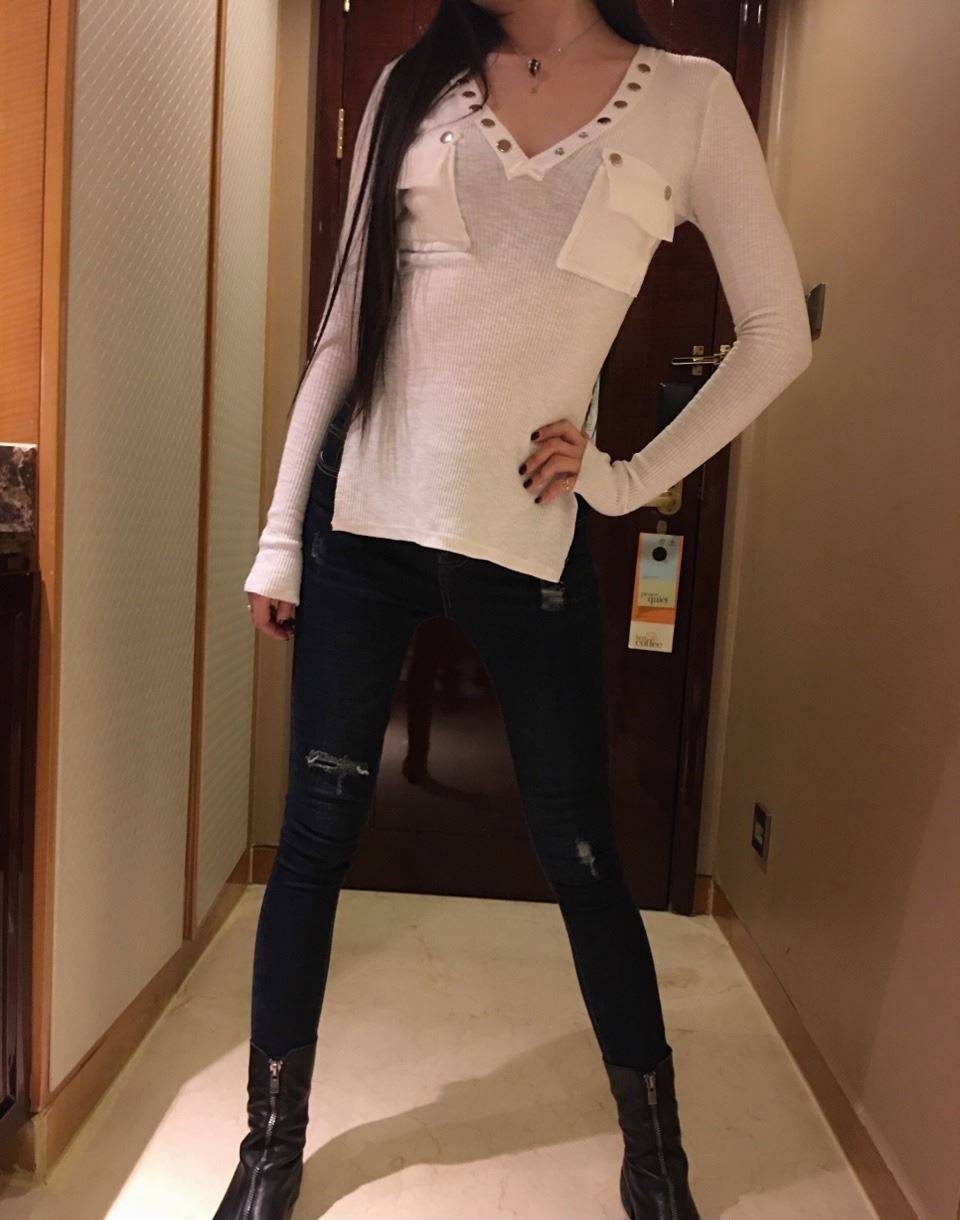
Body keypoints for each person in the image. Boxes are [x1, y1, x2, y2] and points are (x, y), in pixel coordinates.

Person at [214, 1, 812, 1217]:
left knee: (585, 855)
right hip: (361, 528)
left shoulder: (691, 97)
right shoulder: (411, 83)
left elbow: (776, 335)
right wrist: (280, 536)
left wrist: (627, 477)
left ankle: (658, 1161)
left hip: (524, 543)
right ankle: (268, 1150)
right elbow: (342, 334)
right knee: (313, 842)